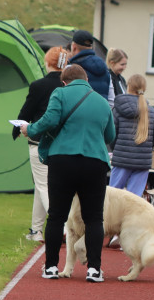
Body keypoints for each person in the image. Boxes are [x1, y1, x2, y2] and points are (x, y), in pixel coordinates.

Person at [20, 64, 115, 283]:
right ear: (87, 80)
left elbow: (50, 120)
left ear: (64, 81)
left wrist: (30, 129)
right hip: (95, 162)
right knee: (94, 219)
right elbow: (110, 134)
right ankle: (94, 270)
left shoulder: (60, 93)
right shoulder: (101, 101)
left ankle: (51, 267)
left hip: (62, 160)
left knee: (56, 216)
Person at [14, 46, 67, 242]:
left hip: (39, 141)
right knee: (40, 184)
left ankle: (61, 227)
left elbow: (26, 111)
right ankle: (36, 230)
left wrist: (16, 128)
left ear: (47, 63)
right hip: (62, 143)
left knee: (44, 185)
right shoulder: (66, 86)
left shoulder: (39, 85)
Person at [110, 74, 154, 197]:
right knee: (134, 199)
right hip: (142, 162)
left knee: (113, 196)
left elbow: (112, 134)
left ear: (128, 87)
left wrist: (116, 149)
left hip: (122, 158)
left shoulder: (118, 109)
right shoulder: (152, 112)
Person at [67, 30, 110, 101]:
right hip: (101, 110)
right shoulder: (105, 67)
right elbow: (111, 98)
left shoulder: (71, 68)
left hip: (80, 111)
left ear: (74, 47)